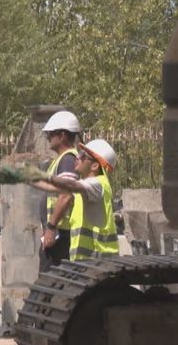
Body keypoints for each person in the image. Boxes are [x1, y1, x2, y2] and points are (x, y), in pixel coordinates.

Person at [35, 138, 120, 260]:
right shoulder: (88, 187)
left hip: (99, 260)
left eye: (83, 156)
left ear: (95, 166)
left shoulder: (98, 184)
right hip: (87, 260)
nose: (77, 157)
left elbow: (72, 186)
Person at [21, 111, 82, 270]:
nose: (48, 137)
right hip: (58, 234)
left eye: (51, 134)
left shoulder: (68, 160)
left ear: (62, 135)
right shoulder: (62, 160)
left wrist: (51, 227)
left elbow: (66, 196)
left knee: (52, 286)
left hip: (61, 236)